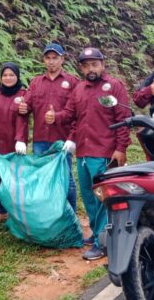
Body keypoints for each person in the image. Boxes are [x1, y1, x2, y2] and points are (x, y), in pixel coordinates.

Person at [49, 47, 132, 260]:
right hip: (84, 152)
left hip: (104, 152)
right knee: (88, 195)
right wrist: (55, 116)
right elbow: (70, 115)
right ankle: (97, 232)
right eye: (86, 65)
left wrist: (121, 148)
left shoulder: (114, 86)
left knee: (103, 198)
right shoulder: (79, 89)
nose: (90, 68)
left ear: (103, 64)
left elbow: (123, 119)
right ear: (81, 68)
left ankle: (102, 243)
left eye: (94, 64)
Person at [18, 43, 80, 216]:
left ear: (62, 59)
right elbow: (27, 105)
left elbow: (78, 112)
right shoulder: (36, 82)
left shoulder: (72, 82)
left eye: (55, 58)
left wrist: (72, 137)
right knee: (42, 178)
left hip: (62, 140)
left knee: (65, 179)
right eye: (48, 58)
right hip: (40, 140)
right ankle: (47, 216)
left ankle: (71, 216)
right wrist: (23, 108)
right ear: (44, 60)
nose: (51, 62)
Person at [0, 62, 29, 222]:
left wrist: (21, 140)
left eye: (12, 75)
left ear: (17, 76)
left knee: (17, 180)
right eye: (5, 75)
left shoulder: (24, 94)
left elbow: (23, 119)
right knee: (1, 179)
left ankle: (18, 213)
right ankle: (3, 211)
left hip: (17, 146)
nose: (8, 78)